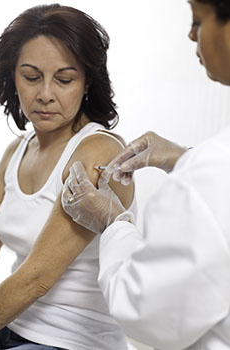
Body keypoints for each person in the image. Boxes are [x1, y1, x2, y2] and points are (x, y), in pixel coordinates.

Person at [61, 0, 230, 349]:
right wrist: (184, 159)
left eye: (198, 20)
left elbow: (145, 310)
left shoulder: (211, 176)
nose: (191, 33)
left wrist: (113, 223)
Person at [0, 4, 135, 350]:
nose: (45, 94)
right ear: (12, 77)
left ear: (87, 80)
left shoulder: (97, 152)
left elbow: (37, 278)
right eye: (31, 77)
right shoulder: (16, 151)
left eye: (64, 79)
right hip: (14, 326)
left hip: (73, 340)